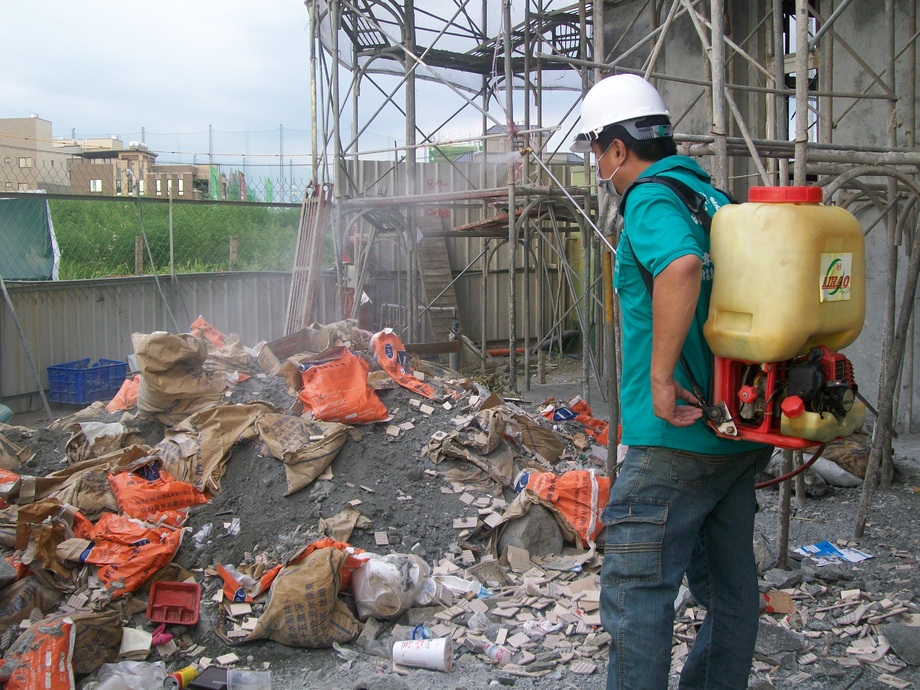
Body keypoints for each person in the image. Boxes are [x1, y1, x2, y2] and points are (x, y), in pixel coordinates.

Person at [571, 74, 770, 689]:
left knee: (636, 593)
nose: (597, 167)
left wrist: (660, 379)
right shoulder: (710, 197)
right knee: (731, 592)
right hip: (733, 430)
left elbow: (680, 267)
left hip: (673, 437)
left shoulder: (650, 199)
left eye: (596, 152)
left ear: (618, 148)